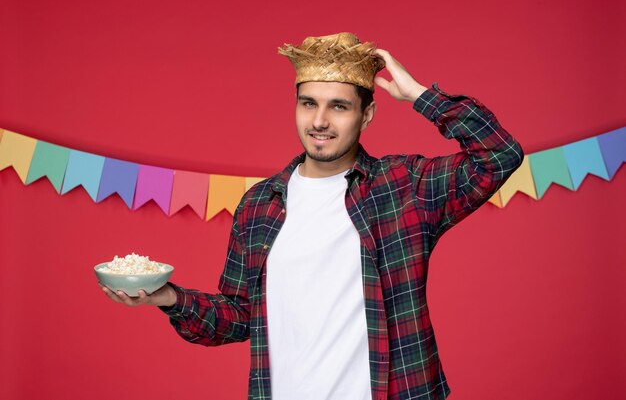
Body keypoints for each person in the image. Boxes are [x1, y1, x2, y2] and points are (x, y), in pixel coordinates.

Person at [100, 32, 524, 400]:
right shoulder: (260, 204)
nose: (319, 121)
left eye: (338, 106)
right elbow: (240, 315)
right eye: (308, 103)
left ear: (367, 114)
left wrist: (418, 95)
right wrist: (169, 298)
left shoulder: (405, 187)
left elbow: (499, 155)